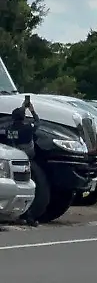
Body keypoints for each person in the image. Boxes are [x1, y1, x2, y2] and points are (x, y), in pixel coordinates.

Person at [1, 97, 39, 226]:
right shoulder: (27, 128)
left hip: (11, 160)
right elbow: (38, 123)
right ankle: (29, 217)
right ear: (23, 118)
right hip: (26, 160)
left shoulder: (8, 129)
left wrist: (22, 107)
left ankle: (22, 215)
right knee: (29, 188)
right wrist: (32, 111)